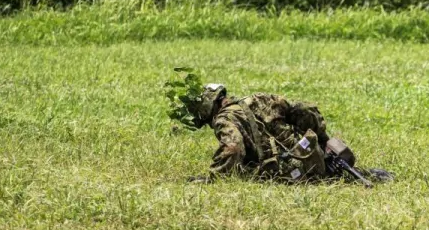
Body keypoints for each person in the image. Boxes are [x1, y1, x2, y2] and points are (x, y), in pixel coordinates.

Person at [165, 69, 386, 182]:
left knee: (248, 173)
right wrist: (323, 140)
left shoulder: (224, 119)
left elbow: (232, 148)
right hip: (313, 155)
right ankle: (365, 174)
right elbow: (305, 110)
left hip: (290, 173)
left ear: (206, 109)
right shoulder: (259, 99)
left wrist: (214, 178)